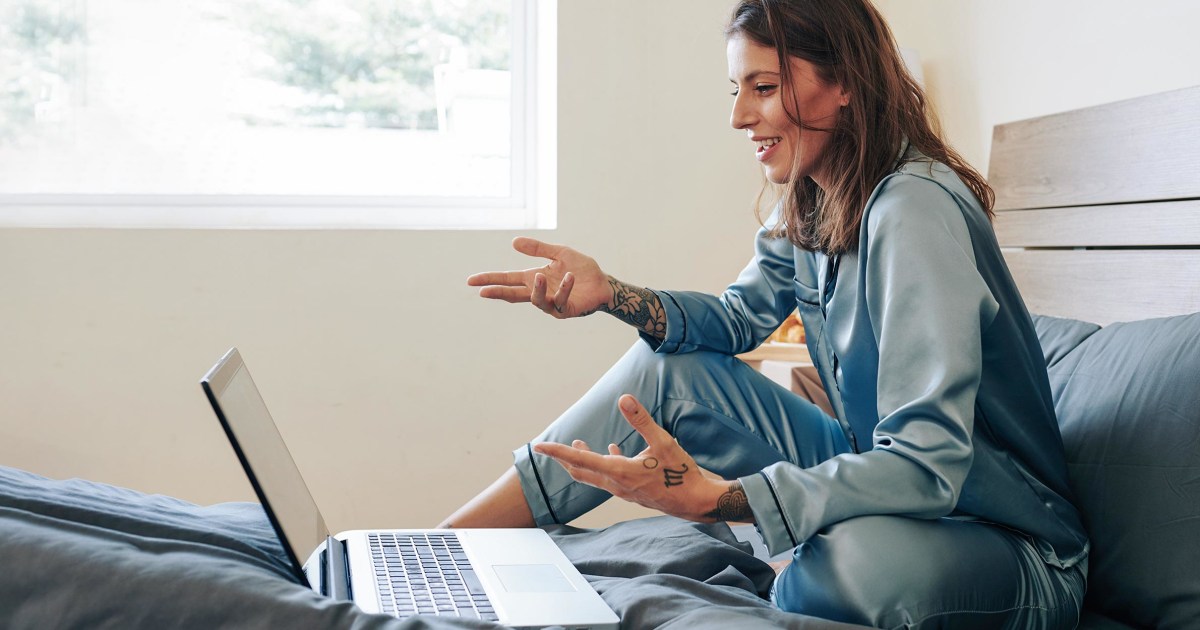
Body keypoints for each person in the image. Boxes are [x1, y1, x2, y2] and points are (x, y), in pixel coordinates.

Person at [442, 0, 1089, 627]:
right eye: (736, 89)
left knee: (846, 568)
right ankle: (433, 547)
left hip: (1005, 540)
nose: (739, 116)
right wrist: (612, 293)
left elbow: (928, 462)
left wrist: (727, 499)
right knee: (668, 369)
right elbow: (733, 321)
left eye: (763, 86)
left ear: (843, 83)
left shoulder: (914, 211)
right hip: (884, 479)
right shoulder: (812, 202)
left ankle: (795, 563)